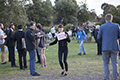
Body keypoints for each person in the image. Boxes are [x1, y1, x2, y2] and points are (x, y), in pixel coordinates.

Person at [97, 13, 120, 80]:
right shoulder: (116, 26)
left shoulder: (102, 27)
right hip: (114, 46)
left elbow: (98, 37)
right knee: (115, 63)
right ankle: (115, 77)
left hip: (105, 47)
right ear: (112, 19)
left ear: (105, 19)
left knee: (106, 63)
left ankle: (107, 77)